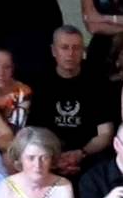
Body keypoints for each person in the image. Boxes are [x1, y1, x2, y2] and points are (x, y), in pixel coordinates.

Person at [30, 26, 114, 177]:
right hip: (49, 156)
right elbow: (35, 134)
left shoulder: (98, 82)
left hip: (89, 155)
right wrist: (56, 160)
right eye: (64, 48)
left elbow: (105, 134)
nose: (70, 54)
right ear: (54, 51)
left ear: (83, 51)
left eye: (76, 48)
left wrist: (80, 154)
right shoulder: (40, 83)